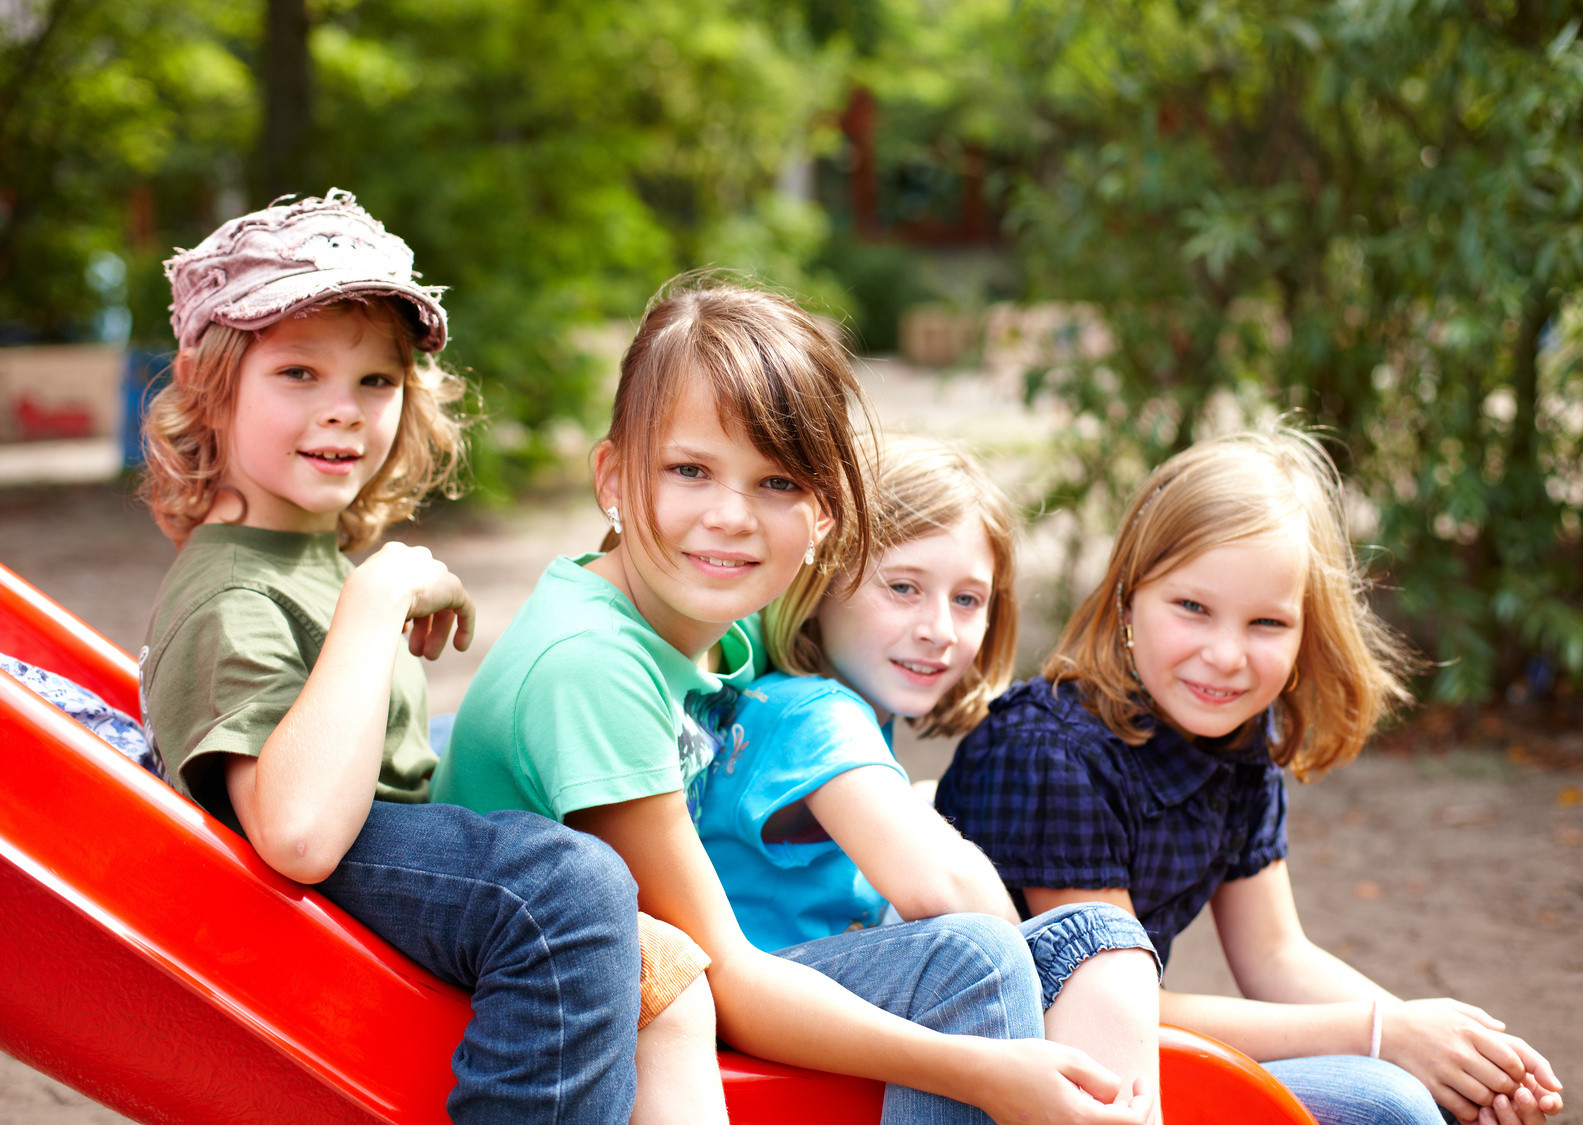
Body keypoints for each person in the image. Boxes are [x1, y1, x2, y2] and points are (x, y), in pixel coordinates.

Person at [433, 279, 1150, 1125]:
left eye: (776, 482)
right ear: (614, 478)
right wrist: (987, 1071)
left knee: (1054, 949)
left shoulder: (706, 628)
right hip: (566, 1039)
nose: (732, 516)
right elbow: (722, 975)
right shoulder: (595, 666)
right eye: (690, 469)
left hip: (662, 997)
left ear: (823, 516)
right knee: (974, 959)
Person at [136, 191, 716, 1125]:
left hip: (384, 867)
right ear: (209, 385)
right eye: (298, 372)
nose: (344, 411)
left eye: (376, 381)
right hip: (286, 917)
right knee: (565, 887)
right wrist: (376, 598)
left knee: (657, 962)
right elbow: (294, 835)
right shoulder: (233, 593)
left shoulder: (300, 554)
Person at [936, 427, 1567, 1125]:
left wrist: (1445, 1044)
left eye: (1267, 621)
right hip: (1026, 1076)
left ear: (1305, 633)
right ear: (1127, 598)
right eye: (1192, 607)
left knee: (1428, 1089)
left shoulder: (1239, 743)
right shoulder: (1050, 750)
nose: (1227, 655)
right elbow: (1108, 1009)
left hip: (1127, 1061)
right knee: (1391, 1103)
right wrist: (1382, 1034)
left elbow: (1275, 953)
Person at [697, 433, 1162, 1121]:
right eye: (904, 587)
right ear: (821, 583)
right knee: (1049, 941)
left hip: (787, 1012)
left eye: (968, 600)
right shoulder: (811, 712)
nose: (939, 628)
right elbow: (948, 888)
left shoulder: (817, 715)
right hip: (755, 1027)